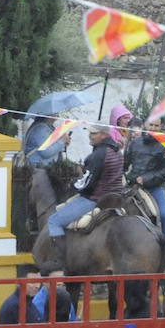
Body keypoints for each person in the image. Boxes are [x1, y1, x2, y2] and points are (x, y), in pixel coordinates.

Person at [42, 116, 125, 276]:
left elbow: (87, 184)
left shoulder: (97, 155)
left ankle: (59, 261)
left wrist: (72, 185)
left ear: (103, 134)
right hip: (115, 198)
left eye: (93, 133)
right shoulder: (117, 151)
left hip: (94, 199)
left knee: (54, 221)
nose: (90, 136)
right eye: (90, 133)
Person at [124, 116, 165, 242]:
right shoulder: (134, 143)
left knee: (164, 215)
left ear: (160, 127)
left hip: (155, 188)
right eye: (151, 125)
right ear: (144, 125)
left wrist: (146, 178)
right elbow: (125, 163)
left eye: (156, 126)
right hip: (132, 186)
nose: (153, 128)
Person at [0, 267, 73, 324]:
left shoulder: (29, 302)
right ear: (19, 282)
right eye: (32, 282)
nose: (37, 286)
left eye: (38, 282)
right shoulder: (13, 306)